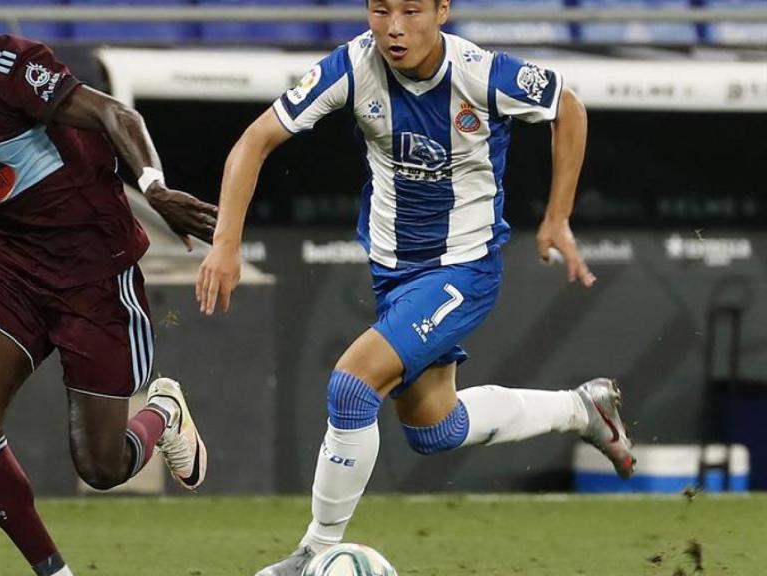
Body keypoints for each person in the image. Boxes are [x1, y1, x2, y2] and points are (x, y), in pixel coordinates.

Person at [196, 1, 637, 573]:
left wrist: (558, 215)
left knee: (353, 389)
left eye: (411, 10)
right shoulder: (352, 67)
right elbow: (253, 142)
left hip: (462, 270)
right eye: (381, 10)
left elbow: (567, 108)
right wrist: (226, 242)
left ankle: (315, 552)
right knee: (435, 427)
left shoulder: (482, 72)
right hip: (394, 275)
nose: (395, 28)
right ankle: (583, 409)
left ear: (442, 11)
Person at [0, 1, 217, 575]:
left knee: (102, 467)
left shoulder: (13, 67)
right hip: (11, 269)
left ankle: (161, 412)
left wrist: (156, 189)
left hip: (94, 270)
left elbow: (118, 115)